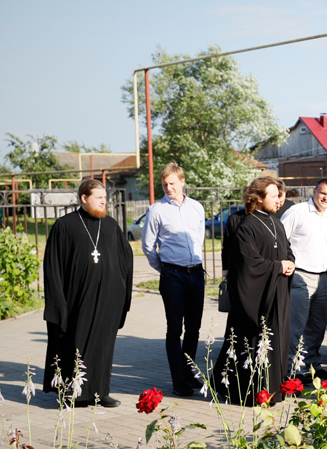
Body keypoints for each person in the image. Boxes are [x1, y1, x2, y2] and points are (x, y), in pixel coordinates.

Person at [42, 179, 133, 407]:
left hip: (107, 302)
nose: (104, 201)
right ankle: (73, 394)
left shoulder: (111, 226)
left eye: (105, 198)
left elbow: (126, 262)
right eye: (99, 197)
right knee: (75, 344)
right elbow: (53, 267)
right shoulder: (65, 225)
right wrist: (58, 303)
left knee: (103, 348)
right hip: (76, 301)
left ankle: (100, 392)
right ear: (84, 198)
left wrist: (122, 294)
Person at [211, 177, 295, 405]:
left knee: (276, 340)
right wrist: (278, 266)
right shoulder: (246, 227)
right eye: (274, 196)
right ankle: (250, 392)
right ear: (258, 200)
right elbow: (249, 264)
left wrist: (290, 263)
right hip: (256, 297)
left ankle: (273, 390)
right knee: (253, 342)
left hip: (277, 294)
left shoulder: (276, 222)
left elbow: (287, 251)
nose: (279, 200)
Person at [141, 162, 206, 397]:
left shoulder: (197, 208)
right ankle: (178, 381)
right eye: (164, 184)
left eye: (172, 183)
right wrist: (167, 270)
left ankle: (189, 373)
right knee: (174, 329)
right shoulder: (156, 210)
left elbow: (199, 238)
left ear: (182, 181)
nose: (168, 188)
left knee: (194, 328)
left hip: (196, 274)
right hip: (173, 276)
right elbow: (148, 247)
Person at [281, 179, 327, 378]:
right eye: (323, 193)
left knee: (317, 326)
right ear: (314, 191)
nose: (326, 198)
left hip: (321, 277)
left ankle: (312, 366)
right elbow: (280, 239)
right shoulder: (298, 212)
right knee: (296, 326)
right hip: (300, 275)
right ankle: (289, 370)